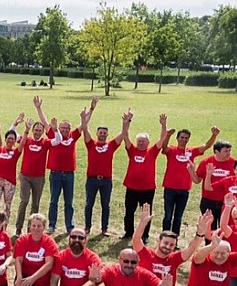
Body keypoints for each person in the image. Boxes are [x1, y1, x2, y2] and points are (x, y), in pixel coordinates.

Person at [159, 124, 219, 235]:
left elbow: (206, 146)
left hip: (184, 189)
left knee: (178, 217)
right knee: (168, 215)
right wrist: (167, 135)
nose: (184, 140)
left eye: (186, 138)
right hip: (170, 188)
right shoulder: (172, 150)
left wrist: (214, 135)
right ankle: (164, 237)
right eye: (182, 137)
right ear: (177, 138)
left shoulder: (191, 152)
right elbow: (164, 147)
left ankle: (174, 238)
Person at [35, 96, 82, 234]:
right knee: (54, 200)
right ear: (59, 128)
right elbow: (44, 121)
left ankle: (70, 226)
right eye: (62, 128)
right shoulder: (53, 135)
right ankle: (52, 225)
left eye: (67, 128)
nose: (65, 130)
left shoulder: (73, 136)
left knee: (69, 201)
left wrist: (90, 111)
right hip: (55, 173)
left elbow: (82, 126)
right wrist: (39, 108)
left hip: (69, 174)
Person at [121, 113, 171, 243]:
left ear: (148, 142)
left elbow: (163, 138)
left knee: (146, 213)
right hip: (131, 187)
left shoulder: (152, 151)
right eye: (139, 141)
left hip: (147, 188)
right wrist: (127, 122)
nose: (141, 143)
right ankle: (128, 232)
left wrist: (163, 125)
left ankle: (145, 235)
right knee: (129, 211)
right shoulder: (132, 150)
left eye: (143, 141)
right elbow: (125, 135)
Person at [80, 104, 127, 237]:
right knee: (89, 204)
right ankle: (87, 227)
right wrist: (83, 118)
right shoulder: (91, 144)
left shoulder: (111, 145)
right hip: (92, 180)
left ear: (107, 135)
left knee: (105, 205)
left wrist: (126, 122)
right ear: (97, 133)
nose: (102, 135)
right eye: (100, 133)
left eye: (104, 133)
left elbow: (123, 135)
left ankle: (104, 228)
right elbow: (84, 130)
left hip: (106, 181)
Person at [11, 212, 60, 286]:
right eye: (33, 225)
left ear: (44, 227)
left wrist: (33, 278)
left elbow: (49, 264)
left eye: (39, 226)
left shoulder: (49, 242)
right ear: (29, 226)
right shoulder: (23, 240)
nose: (36, 228)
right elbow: (18, 260)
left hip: (42, 279)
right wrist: (19, 278)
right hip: (25, 274)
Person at [13, 118, 49, 235]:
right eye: (36, 130)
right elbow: (12, 134)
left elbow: (58, 140)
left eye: (40, 130)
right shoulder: (27, 140)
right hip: (25, 176)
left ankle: (31, 229)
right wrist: (17, 124)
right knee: (24, 201)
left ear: (42, 132)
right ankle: (18, 228)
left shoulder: (45, 142)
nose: (38, 132)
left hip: (39, 177)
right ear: (33, 130)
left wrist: (52, 128)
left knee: (35, 204)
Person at [194, 140, 235, 226]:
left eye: (229, 151)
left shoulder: (234, 163)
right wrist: (191, 171)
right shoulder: (206, 162)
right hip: (208, 202)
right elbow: (197, 180)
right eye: (225, 151)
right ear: (217, 152)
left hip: (226, 203)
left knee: (224, 228)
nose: (228, 153)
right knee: (209, 228)